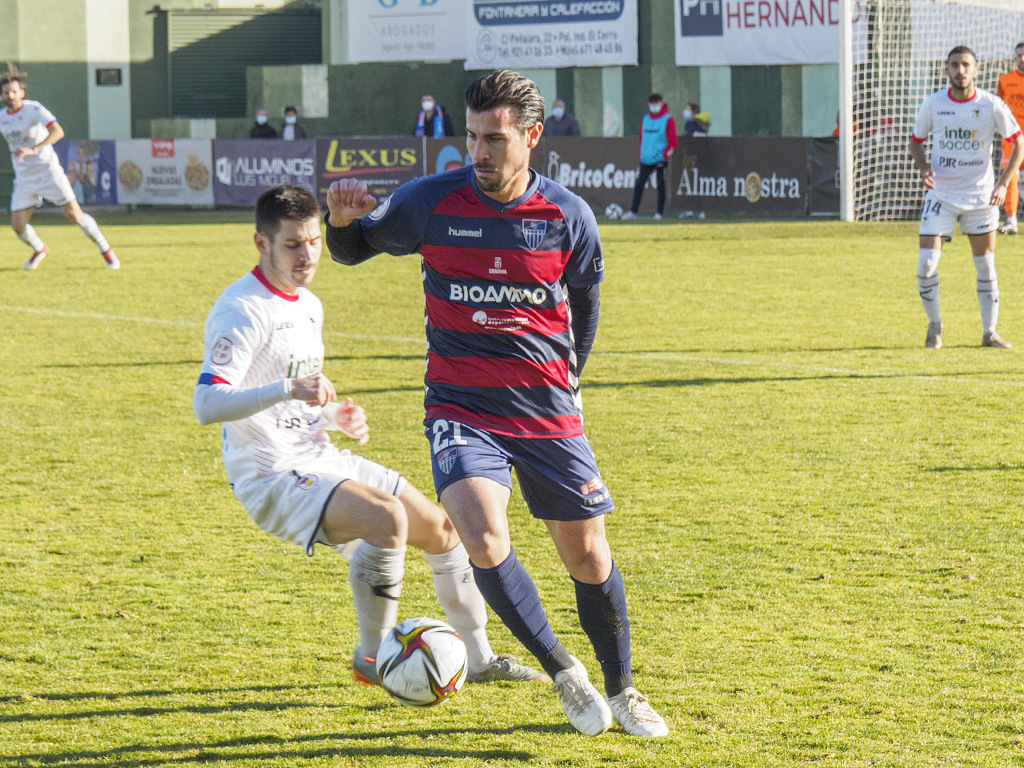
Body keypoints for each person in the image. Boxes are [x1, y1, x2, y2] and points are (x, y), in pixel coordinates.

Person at [324, 70, 668, 738]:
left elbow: (586, 302)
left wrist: (571, 377)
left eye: (495, 139)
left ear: (532, 136)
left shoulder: (567, 215)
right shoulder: (430, 201)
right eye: (473, 137)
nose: (479, 152)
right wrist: (340, 222)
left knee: (588, 557)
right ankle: (564, 672)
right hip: (461, 406)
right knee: (482, 537)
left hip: (546, 410)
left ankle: (624, 688)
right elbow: (354, 247)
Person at [193, 184, 547, 691]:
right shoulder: (242, 309)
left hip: (318, 455)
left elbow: (292, 394)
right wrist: (291, 388)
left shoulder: (308, 304)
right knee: (387, 518)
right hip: (270, 474)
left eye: (313, 241)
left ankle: (480, 658)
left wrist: (331, 415)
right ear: (261, 243)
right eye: (292, 244)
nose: (307, 255)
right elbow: (207, 404)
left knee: (444, 532)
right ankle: (372, 656)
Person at [909, 45, 1024, 349]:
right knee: (926, 263)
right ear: (946, 69)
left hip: (980, 197)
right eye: (954, 65)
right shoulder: (933, 104)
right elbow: (916, 141)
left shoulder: (991, 104)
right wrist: (924, 169)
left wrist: (1003, 184)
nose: (960, 71)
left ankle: (989, 333)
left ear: (976, 70)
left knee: (985, 265)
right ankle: (935, 325)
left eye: (965, 65)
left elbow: (1018, 143)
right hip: (941, 195)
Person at [0, 67, 118, 270]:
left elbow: (57, 131)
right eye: (5, 93)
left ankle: (106, 251)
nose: (10, 96)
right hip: (24, 177)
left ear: (21, 92)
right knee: (18, 226)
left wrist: (35, 148)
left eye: (13, 91)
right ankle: (39, 249)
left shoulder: (33, 109)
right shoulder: (2, 116)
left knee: (75, 216)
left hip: (48, 172)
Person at [622, 94, 676, 221]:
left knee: (660, 185)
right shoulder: (645, 119)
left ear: (661, 103)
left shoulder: (668, 119)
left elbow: (673, 141)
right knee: (639, 184)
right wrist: (641, 153)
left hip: (660, 159)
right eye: (652, 103)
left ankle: (659, 213)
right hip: (646, 159)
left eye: (656, 103)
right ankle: (632, 212)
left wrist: (665, 155)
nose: (654, 106)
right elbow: (642, 138)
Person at [996, 42, 1024, 234]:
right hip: (1012, 139)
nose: (1023, 58)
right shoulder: (1005, 80)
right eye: (1019, 55)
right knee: (1011, 177)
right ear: (1015, 57)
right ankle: (1011, 220)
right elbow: (997, 107)